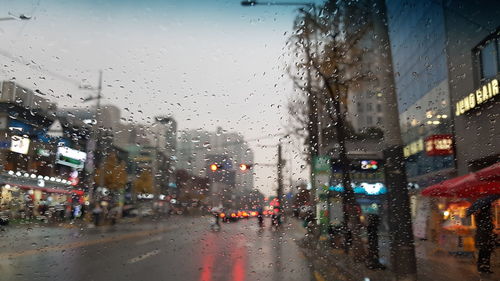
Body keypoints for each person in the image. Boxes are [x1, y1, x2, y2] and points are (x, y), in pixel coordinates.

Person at [475, 204, 495, 274]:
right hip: (485, 237)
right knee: (486, 253)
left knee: (482, 252)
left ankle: (481, 267)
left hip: (482, 237)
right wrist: (492, 225)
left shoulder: (479, 215)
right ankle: (485, 267)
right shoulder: (486, 216)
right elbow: (488, 227)